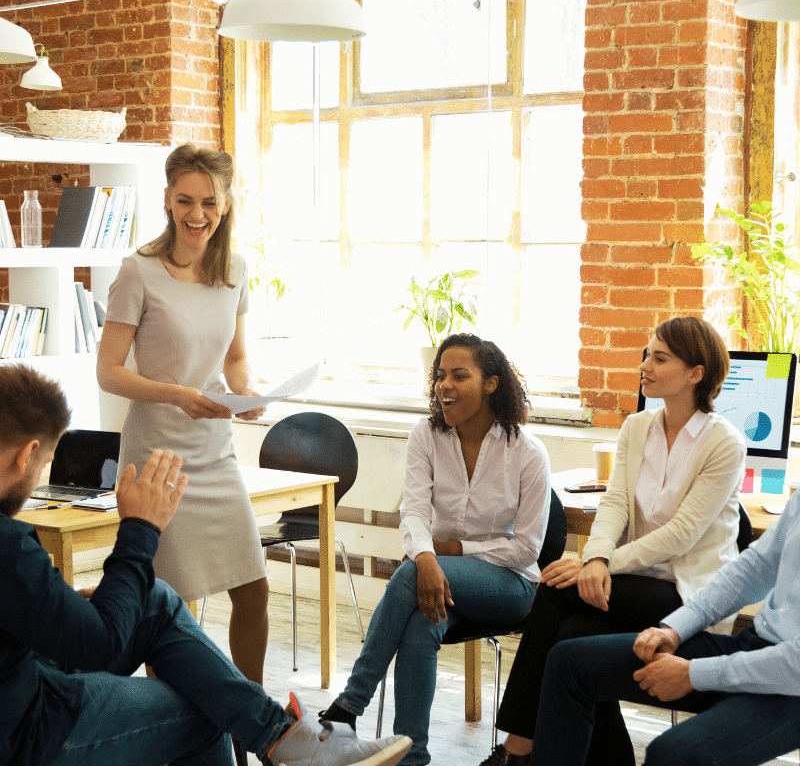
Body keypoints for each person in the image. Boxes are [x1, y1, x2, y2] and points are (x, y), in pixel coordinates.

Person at [0, 362, 412, 766]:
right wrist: (140, 528)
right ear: (27, 455)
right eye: (45, 464)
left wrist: (58, 603)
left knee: (155, 600)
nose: (39, 475)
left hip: (23, 677)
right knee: (206, 706)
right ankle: (287, 739)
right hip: (25, 730)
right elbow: (100, 643)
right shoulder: (8, 545)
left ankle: (288, 737)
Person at [480, 316, 747, 766]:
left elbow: (682, 533)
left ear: (696, 373)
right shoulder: (637, 428)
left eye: (659, 358)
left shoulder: (724, 443)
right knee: (572, 637)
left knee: (554, 591)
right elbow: (616, 504)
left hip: (689, 596)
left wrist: (597, 566)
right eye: (646, 354)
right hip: (634, 581)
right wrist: (597, 557)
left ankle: (515, 750)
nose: (645, 365)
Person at [318, 333, 552, 766]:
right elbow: (413, 512)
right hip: (442, 578)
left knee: (410, 573)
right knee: (422, 627)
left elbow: (525, 549)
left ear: (491, 384)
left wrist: (446, 553)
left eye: (459, 376)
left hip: (511, 586)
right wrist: (428, 556)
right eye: (440, 375)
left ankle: (348, 707)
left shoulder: (527, 452)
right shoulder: (426, 435)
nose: (445, 385)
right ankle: (412, 757)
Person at [97, 143, 269, 684]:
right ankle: (175, 723)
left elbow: (235, 358)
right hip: (158, 459)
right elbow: (109, 373)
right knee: (171, 602)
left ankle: (252, 712)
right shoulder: (138, 272)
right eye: (185, 201)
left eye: (209, 202)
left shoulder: (235, 270)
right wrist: (177, 395)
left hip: (214, 453)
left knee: (254, 587)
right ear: (167, 200)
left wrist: (247, 394)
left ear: (226, 204)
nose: (197, 215)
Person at [529, 486, 800, 766]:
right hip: (759, 644)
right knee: (570, 663)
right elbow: (753, 569)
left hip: (794, 687)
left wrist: (693, 674)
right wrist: (674, 629)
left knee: (672, 754)